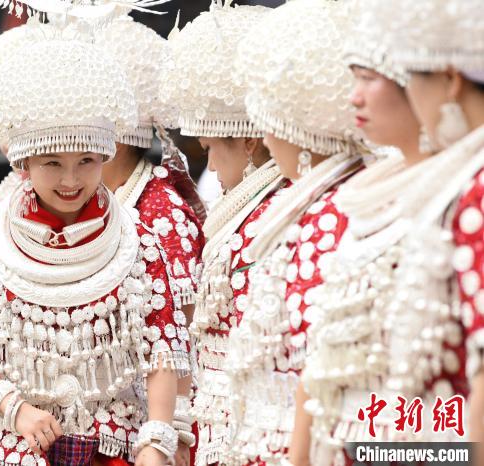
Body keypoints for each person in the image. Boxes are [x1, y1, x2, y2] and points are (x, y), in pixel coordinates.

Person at [0, 9, 190, 466]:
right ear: (23, 164)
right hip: (19, 446)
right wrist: (14, 408)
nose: (71, 179)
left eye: (87, 161)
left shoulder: (138, 242)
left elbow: (163, 345)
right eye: (53, 163)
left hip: (114, 450)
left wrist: (157, 434)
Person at [298, 0, 484, 464]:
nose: (354, 98)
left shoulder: (467, 190)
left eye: (368, 78)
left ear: (448, 79)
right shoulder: (374, 195)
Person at [222, 1, 365, 464]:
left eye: (271, 126)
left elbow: (316, 366)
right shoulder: (318, 205)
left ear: (301, 133)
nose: (264, 140)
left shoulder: (329, 214)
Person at [159, 4, 290, 465]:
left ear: (249, 142)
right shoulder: (250, 209)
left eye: (212, 148)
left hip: (253, 432)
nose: (210, 166)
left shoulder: (272, 216)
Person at [95, 17, 206, 465]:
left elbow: (183, 334)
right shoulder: (89, 198)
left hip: (146, 427)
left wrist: (170, 433)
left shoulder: (162, 209)